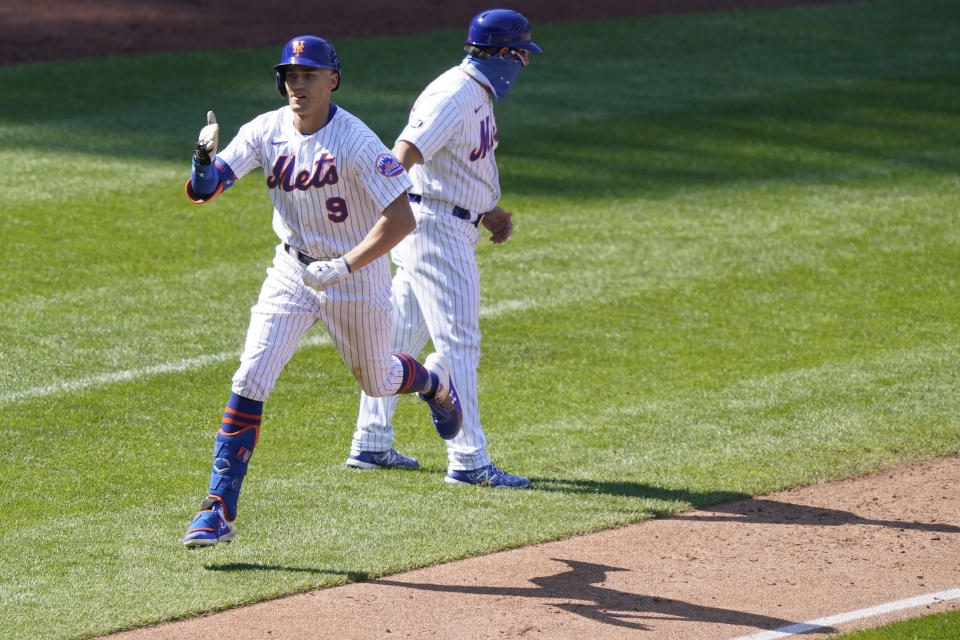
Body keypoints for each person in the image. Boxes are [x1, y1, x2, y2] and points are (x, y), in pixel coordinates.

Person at [181, 35, 464, 548]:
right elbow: (207, 190)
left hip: (358, 275)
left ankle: (434, 384)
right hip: (291, 271)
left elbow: (401, 220)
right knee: (251, 374)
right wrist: (202, 162)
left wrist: (343, 266)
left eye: (309, 75)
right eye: (290, 76)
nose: (297, 85)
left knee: (377, 381)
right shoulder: (265, 131)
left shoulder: (357, 142)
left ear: (332, 81)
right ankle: (218, 508)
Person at [347, 9, 541, 488]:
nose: (523, 64)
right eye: (520, 54)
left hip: (444, 220)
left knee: (398, 341)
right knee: (458, 343)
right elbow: (403, 153)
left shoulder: (477, 92)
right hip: (435, 229)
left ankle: (371, 442)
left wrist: (486, 211)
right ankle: (469, 459)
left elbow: (456, 166)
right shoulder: (453, 94)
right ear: (500, 53)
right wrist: (387, 214)